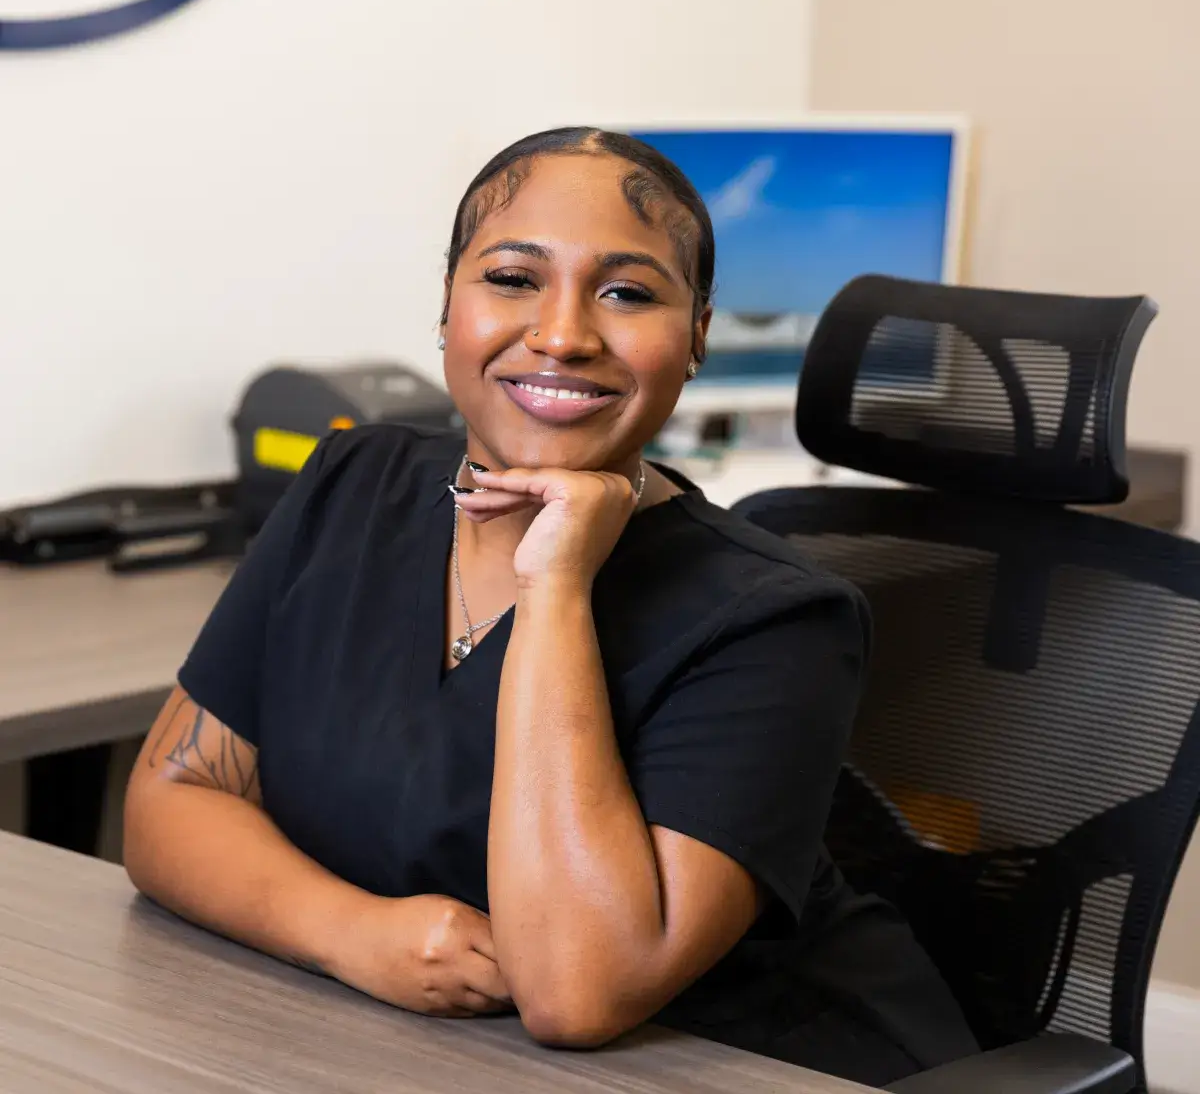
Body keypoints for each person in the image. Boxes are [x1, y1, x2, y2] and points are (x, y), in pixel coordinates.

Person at [124, 127, 978, 1086]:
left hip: (765, 1067)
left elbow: (577, 994)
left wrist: (558, 585)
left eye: (628, 291)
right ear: (446, 310)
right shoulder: (346, 485)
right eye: (512, 278)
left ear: (696, 334)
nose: (564, 333)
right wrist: (354, 935)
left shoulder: (781, 619)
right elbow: (171, 802)